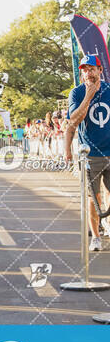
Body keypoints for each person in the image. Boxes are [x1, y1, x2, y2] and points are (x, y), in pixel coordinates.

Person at [65, 55, 110, 252]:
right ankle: (96, 237)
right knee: (94, 197)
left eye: (91, 69)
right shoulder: (77, 93)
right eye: (84, 70)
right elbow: (74, 120)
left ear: (100, 70)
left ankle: (106, 226)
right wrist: (88, 97)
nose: (88, 73)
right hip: (91, 153)